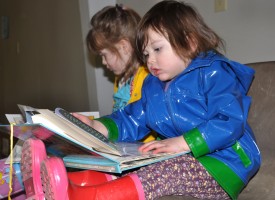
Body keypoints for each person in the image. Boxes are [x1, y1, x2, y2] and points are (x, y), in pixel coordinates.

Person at [20, 1, 261, 199]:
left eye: (157, 49)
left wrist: (184, 143)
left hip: (224, 164)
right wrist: (95, 127)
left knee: (166, 172)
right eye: (145, 54)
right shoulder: (154, 87)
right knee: (130, 166)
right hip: (182, 158)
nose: (150, 61)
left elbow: (229, 121)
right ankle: (55, 182)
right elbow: (131, 118)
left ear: (189, 42)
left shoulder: (215, 73)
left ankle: (77, 196)